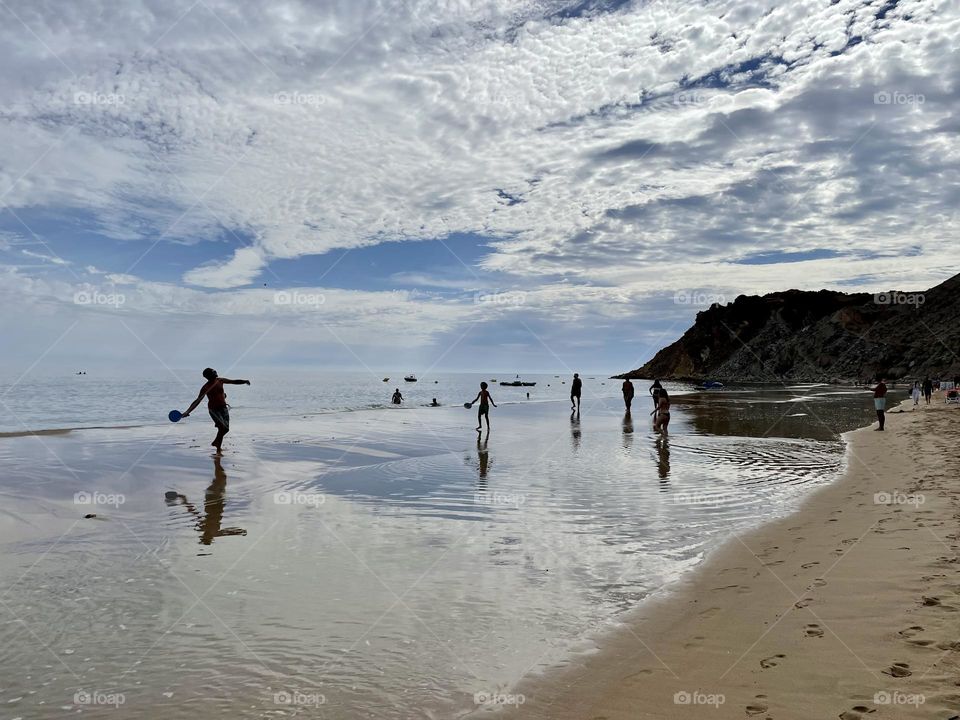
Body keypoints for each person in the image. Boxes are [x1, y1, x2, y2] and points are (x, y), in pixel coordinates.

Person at [181, 368, 250, 453]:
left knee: (225, 429)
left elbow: (233, 381)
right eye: (213, 371)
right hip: (214, 409)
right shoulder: (205, 387)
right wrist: (188, 411)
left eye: (215, 371)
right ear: (208, 376)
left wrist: (244, 381)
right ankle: (218, 448)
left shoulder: (220, 380)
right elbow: (198, 400)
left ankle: (217, 444)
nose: (215, 372)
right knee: (222, 427)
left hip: (223, 408)